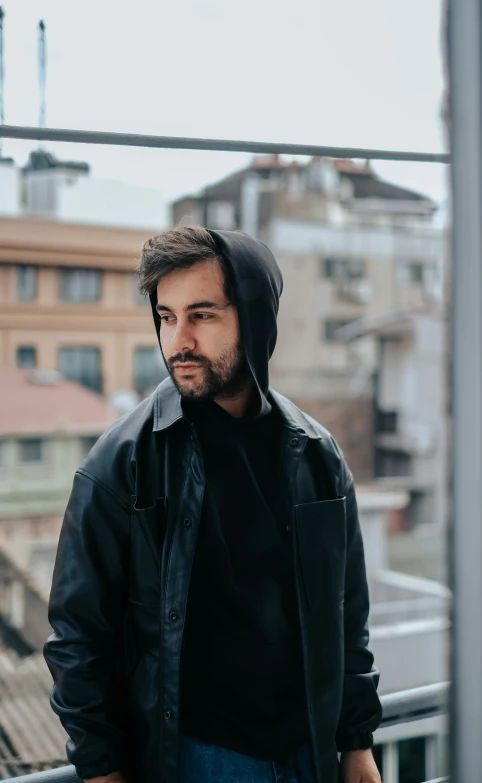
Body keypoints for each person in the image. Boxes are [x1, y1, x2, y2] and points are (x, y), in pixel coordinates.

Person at [44, 227, 382, 783]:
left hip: (311, 752)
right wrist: (101, 770)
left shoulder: (317, 455)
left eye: (201, 315)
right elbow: (78, 638)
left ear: (254, 320)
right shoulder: (120, 463)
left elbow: (347, 617)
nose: (178, 340)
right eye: (166, 317)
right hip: (197, 759)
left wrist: (357, 742)